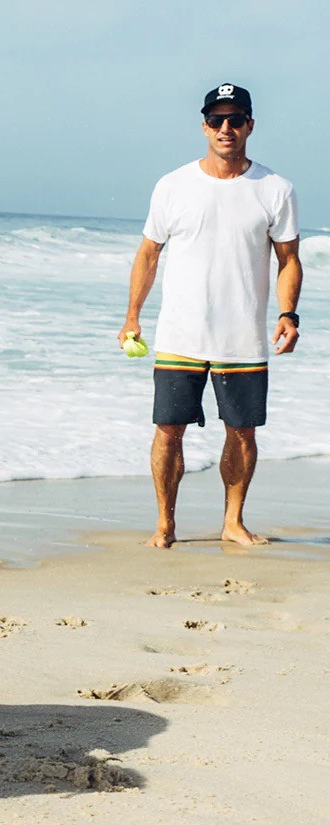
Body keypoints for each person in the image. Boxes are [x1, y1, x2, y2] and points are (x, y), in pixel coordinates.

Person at [119, 83, 302, 548]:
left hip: (242, 337)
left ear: (249, 126)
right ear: (204, 127)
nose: (226, 128)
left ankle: (233, 522)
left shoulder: (275, 189)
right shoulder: (173, 185)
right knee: (168, 431)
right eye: (216, 120)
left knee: (242, 432)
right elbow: (148, 254)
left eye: (235, 119)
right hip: (180, 333)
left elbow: (288, 260)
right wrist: (132, 315)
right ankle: (165, 524)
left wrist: (289, 314)